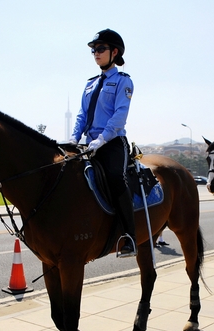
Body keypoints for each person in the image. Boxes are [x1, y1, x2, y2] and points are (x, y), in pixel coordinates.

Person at [70, 29, 136, 257]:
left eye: (100, 49)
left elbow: (120, 115)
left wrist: (102, 138)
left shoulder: (123, 81)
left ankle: (129, 236)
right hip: (89, 144)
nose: (95, 53)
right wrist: (73, 138)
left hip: (112, 142)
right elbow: (82, 114)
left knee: (117, 179)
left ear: (114, 52)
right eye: (93, 50)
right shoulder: (90, 84)